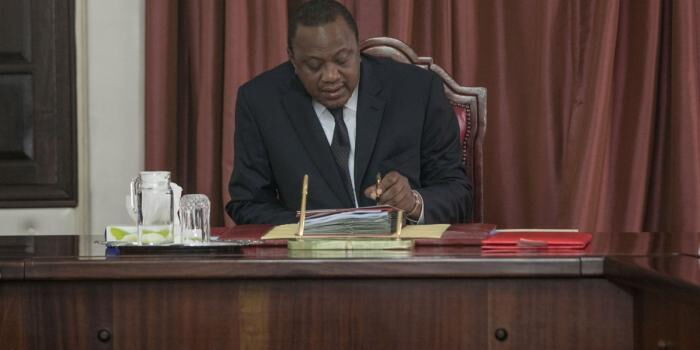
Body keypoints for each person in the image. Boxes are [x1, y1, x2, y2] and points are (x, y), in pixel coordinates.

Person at [226, 0, 471, 225]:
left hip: (402, 261)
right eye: (314, 66)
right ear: (292, 59)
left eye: (342, 60)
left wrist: (412, 203)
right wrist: (312, 228)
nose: (330, 77)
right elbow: (248, 203)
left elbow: (456, 193)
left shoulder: (416, 91)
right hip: (308, 265)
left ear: (358, 49)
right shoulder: (261, 102)